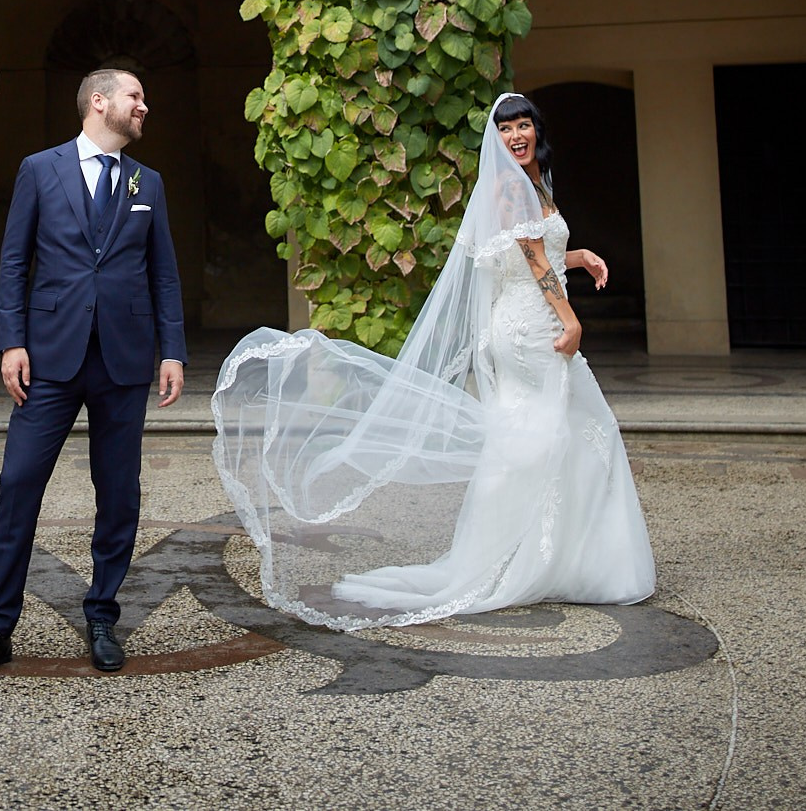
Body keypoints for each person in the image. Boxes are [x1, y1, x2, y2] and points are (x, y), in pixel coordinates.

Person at [210, 90, 655, 627]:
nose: (516, 136)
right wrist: (571, 319)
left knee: (541, 435)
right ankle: (531, 558)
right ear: (495, 138)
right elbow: (535, 262)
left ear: (537, 131)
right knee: (564, 431)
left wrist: (578, 257)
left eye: (523, 126)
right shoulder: (511, 190)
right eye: (505, 129)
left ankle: (543, 555)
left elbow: (530, 251)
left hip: (520, 318)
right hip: (530, 325)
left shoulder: (531, 183)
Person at [0, 67, 188, 680]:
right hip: (49, 358)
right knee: (17, 486)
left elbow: (163, 273)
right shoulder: (39, 169)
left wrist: (172, 351)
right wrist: (12, 343)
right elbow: (13, 263)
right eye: (136, 96)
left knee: (119, 493)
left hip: (124, 360)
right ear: (99, 102)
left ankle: (102, 615)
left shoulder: (148, 182)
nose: (144, 106)